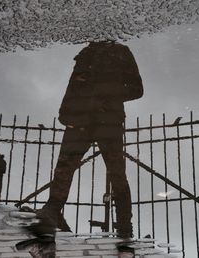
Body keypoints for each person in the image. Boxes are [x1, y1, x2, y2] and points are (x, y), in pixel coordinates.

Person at [37, 41, 144, 238]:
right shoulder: (86, 52)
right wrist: (64, 115)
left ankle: (124, 228)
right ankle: (51, 211)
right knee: (64, 169)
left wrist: (102, 93)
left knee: (117, 175)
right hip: (79, 121)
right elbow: (74, 85)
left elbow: (137, 89)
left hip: (108, 121)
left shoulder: (121, 52)